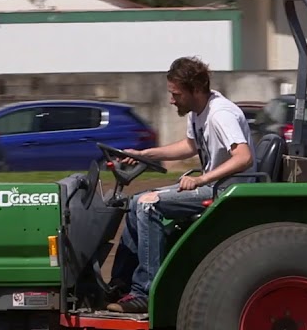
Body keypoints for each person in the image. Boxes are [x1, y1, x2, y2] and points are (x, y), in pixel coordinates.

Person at [105, 56, 255, 314]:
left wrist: (201, 179)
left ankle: (146, 292)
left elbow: (244, 157)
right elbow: (189, 146)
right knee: (134, 202)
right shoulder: (199, 111)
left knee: (147, 206)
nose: (171, 100)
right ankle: (121, 285)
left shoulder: (220, 114)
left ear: (196, 89)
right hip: (214, 185)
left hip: (227, 191)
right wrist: (144, 154)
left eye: (176, 94)